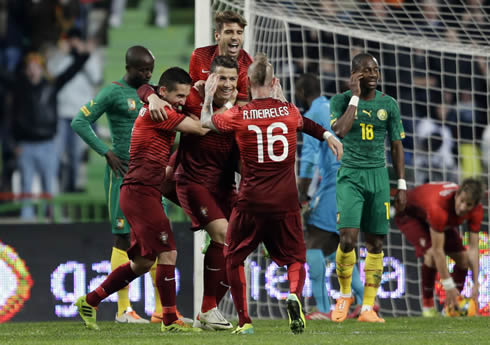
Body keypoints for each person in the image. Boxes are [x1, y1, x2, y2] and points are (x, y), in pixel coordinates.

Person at [201, 53, 343, 334]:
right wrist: (328, 135)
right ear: (275, 81)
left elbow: (207, 121)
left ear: (247, 81)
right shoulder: (289, 111)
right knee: (295, 257)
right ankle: (293, 294)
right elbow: (306, 124)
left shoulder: (238, 115)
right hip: (285, 200)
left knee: (233, 257)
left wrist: (207, 97)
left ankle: (245, 322)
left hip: (251, 200)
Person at [75, 66, 208, 332]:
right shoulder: (161, 112)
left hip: (142, 191)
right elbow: (201, 128)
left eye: (185, 96)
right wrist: (208, 99)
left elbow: (145, 90)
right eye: (179, 96)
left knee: (143, 263)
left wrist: (155, 94)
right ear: (163, 92)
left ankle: (90, 300)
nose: (182, 102)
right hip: (140, 192)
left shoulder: (158, 103)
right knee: (168, 252)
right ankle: (169, 319)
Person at [138, 55, 242, 330]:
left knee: (239, 242)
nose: (228, 83)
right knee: (221, 233)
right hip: (192, 181)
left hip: (224, 186)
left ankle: (210, 310)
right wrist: (151, 97)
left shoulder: (242, 105)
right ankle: (206, 310)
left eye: (232, 78)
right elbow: (145, 87)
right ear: (210, 78)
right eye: (222, 77)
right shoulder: (193, 97)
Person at [71, 46, 154, 323]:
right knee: (123, 238)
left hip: (149, 175)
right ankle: (123, 310)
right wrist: (106, 152)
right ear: (129, 68)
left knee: (155, 239)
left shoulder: (151, 92)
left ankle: (165, 311)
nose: (148, 74)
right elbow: (79, 121)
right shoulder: (112, 92)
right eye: (143, 69)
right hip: (122, 173)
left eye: (151, 69)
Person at [330, 52, 407, 323]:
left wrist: (401, 184)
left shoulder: (389, 104)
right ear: (354, 75)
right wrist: (354, 95)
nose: (372, 74)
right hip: (351, 175)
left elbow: (397, 145)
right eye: (365, 71)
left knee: (375, 243)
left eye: (375, 70)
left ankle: (367, 309)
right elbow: (340, 130)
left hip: (378, 177)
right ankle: (344, 295)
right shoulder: (340, 100)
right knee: (348, 238)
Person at [296, 74, 365, 320]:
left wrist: (302, 192)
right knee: (338, 246)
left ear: (302, 92)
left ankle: (324, 309)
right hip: (353, 182)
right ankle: (367, 303)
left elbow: (310, 157)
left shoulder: (313, 114)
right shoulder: (334, 107)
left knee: (313, 241)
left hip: (336, 184)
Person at [394, 179, 483, 317]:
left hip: (439, 220)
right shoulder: (439, 207)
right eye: (461, 201)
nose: (463, 207)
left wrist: (476, 283)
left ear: (475, 205)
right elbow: (438, 251)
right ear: (457, 195)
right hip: (410, 215)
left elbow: (473, 249)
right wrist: (448, 285)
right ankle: (428, 307)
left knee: (464, 260)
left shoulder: (477, 211)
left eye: (469, 204)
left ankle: (451, 306)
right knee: (431, 254)